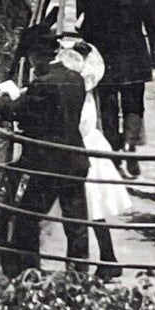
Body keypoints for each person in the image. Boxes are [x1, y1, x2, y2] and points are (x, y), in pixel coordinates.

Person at [0, 24, 90, 272]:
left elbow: (17, 113)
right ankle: (79, 276)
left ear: (35, 55)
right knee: (76, 221)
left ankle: (27, 271)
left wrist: (1, 98)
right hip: (75, 158)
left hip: (49, 164)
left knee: (27, 218)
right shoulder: (75, 79)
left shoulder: (43, 85)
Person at [79, 0, 155, 178]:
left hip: (106, 61)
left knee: (108, 107)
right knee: (134, 105)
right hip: (135, 58)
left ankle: (114, 155)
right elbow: (154, 27)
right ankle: (129, 147)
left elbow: (87, 32)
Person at [57, 37, 129, 279]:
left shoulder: (79, 94)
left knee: (84, 209)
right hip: (87, 146)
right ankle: (107, 258)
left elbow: (78, 125)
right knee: (91, 210)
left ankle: (85, 264)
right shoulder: (85, 90)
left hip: (82, 150)